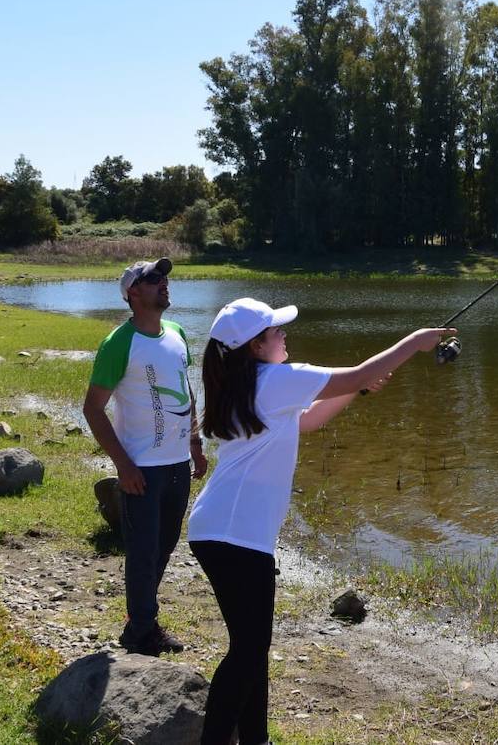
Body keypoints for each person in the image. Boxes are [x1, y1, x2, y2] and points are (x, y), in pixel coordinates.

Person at [186, 296, 456, 745]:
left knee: (252, 649)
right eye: (277, 332)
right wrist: (415, 341)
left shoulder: (244, 383)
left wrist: (357, 390)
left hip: (221, 531)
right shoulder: (275, 379)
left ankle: (256, 739)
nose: (285, 336)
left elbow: (307, 421)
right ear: (255, 346)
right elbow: (363, 372)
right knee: (249, 651)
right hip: (236, 537)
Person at [82, 258, 207, 656]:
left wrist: (195, 445)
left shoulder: (177, 333)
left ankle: (140, 620)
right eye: (154, 279)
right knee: (142, 551)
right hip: (142, 471)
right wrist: (123, 466)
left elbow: (184, 391)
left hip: (177, 466)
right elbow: (92, 409)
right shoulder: (119, 343)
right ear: (133, 293)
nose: (164, 283)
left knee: (166, 545)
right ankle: (141, 631)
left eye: (164, 277)